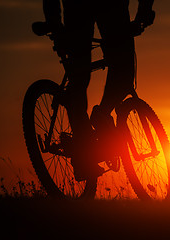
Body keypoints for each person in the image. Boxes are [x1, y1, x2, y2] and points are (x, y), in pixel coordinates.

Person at [42, 0, 155, 181]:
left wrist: (54, 22)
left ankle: (85, 155)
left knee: (79, 77)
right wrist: (144, 13)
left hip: (79, 7)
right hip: (109, 6)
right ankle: (91, 135)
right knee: (120, 71)